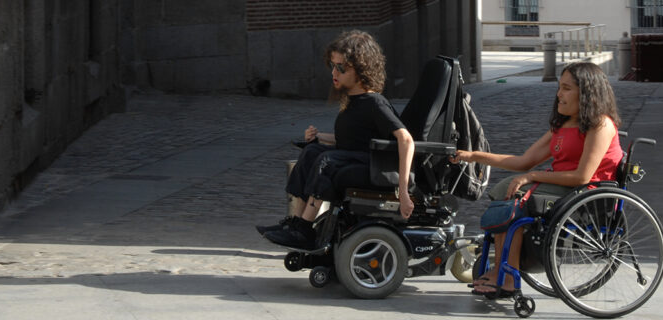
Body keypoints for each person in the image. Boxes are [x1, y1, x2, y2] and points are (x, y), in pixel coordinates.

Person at [451, 62, 624, 297]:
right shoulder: (563, 126)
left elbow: (582, 176)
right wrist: (474, 156)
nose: (559, 95)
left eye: (566, 88)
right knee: (506, 193)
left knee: (517, 201)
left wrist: (531, 176)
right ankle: (501, 269)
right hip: (561, 188)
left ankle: (509, 277)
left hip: (586, 194)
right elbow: (524, 161)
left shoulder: (601, 125)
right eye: (559, 88)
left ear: (587, 92)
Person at [258, 30, 415, 250]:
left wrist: (404, 191)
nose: (335, 72)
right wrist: (318, 137)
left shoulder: (375, 103)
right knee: (312, 151)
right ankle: (295, 224)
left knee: (327, 161)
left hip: (374, 166)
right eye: (333, 66)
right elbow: (350, 141)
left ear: (361, 70)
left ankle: (305, 228)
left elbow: (406, 140)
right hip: (357, 158)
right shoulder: (353, 101)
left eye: (341, 67)